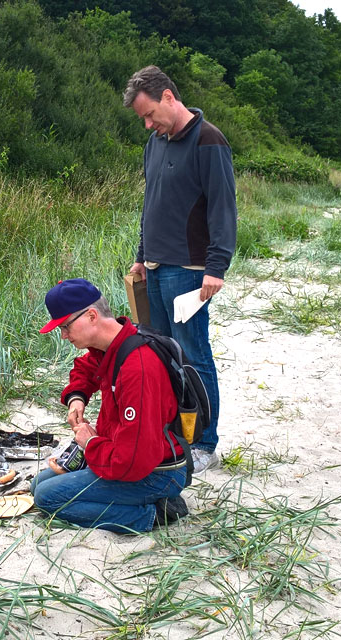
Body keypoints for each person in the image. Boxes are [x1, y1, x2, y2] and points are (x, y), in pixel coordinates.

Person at [123, 65, 238, 473]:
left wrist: (216, 267)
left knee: (194, 354)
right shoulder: (155, 144)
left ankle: (205, 443)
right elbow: (150, 204)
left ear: (169, 97)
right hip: (153, 268)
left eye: (150, 114)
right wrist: (140, 255)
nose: (148, 124)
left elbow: (224, 209)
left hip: (189, 271)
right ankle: (175, 433)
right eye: (143, 119)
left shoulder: (209, 141)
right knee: (160, 355)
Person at [32, 279, 189, 533]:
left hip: (156, 472)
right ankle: (138, 503)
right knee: (37, 485)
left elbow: (132, 462)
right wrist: (77, 397)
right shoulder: (113, 343)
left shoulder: (138, 367)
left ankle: (152, 514)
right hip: (125, 456)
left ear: (91, 316)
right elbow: (86, 368)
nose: (63, 335)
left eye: (64, 326)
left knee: (46, 497)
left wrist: (90, 444)